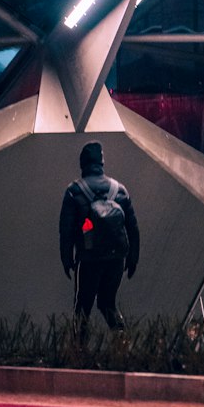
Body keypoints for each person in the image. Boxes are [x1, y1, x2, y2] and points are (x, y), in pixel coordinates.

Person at [59, 141, 139, 333]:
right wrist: (133, 258)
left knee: (82, 308)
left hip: (88, 260)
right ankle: (123, 345)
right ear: (101, 162)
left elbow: (66, 231)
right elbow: (133, 228)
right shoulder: (120, 190)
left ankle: (78, 354)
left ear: (82, 163)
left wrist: (67, 259)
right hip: (116, 259)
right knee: (107, 303)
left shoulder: (74, 191)